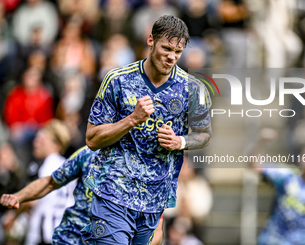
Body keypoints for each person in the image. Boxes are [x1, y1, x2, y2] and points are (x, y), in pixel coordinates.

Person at [83, 15, 212, 244]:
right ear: (151, 40)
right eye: (167, 48)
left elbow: (204, 134)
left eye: (178, 52)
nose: (172, 57)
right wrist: (132, 119)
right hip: (113, 194)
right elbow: (92, 139)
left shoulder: (192, 89)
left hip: (155, 202)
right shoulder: (117, 80)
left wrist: (179, 142)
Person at [0, 145, 164, 245]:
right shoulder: (89, 154)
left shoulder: (150, 173)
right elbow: (51, 182)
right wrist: (18, 197)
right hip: (70, 239)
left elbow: (156, 232)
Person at [251, 129, 305, 245]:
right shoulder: (287, 176)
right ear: (300, 159)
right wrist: (261, 142)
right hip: (272, 239)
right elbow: (255, 166)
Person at [24, 119, 75, 245]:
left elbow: (32, 200)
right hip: (65, 232)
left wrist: (13, 215)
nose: (36, 144)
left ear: (56, 144)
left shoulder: (49, 164)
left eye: (41, 140)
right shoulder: (67, 165)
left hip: (46, 233)